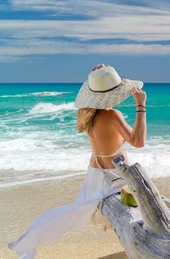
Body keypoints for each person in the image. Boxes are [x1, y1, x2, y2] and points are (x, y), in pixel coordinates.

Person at [8, 64, 146, 259]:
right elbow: (138, 142)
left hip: (96, 174)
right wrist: (140, 105)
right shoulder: (112, 115)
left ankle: (30, 241)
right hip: (114, 179)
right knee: (145, 210)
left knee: (71, 213)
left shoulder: (90, 115)